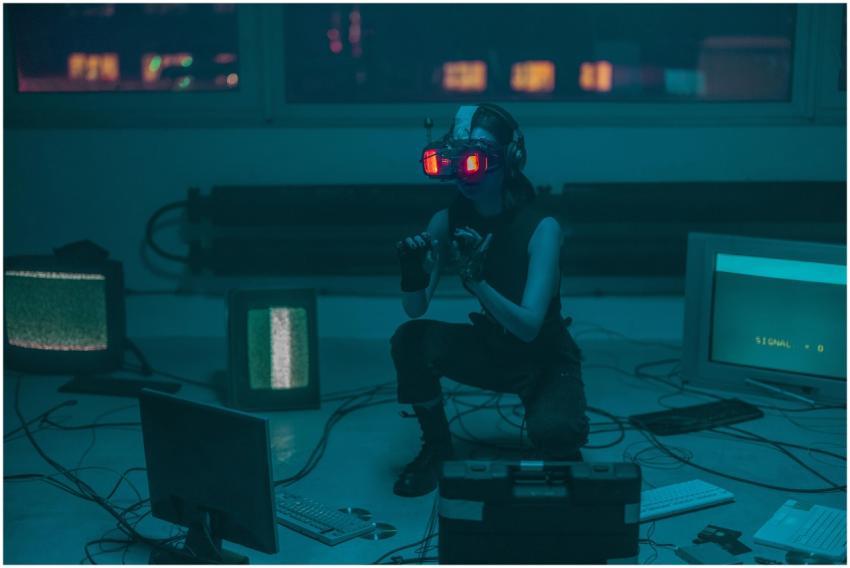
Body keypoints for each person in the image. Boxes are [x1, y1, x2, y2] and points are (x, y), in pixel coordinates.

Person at [390, 103, 589, 497]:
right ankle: (437, 446)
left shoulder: (541, 228)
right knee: (410, 339)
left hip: (543, 358)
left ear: (510, 160)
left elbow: (530, 327)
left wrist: (476, 281)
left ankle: (554, 425)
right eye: (458, 157)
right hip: (493, 348)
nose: (465, 172)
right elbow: (416, 309)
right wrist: (412, 272)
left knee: (556, 435)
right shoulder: (447, 220)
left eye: (477, 159)